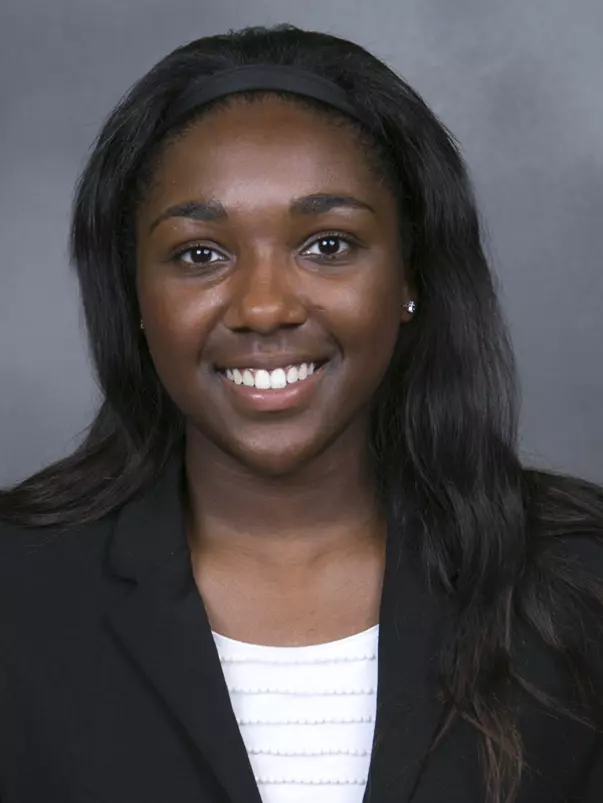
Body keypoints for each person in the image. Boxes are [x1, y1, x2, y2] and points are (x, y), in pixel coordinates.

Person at [0, 22, 602, 803]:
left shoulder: (580, 587)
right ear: (134, 298)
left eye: (326, 244)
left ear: (410, 275)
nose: (262, 307)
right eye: (199, 254)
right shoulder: (18, 595)